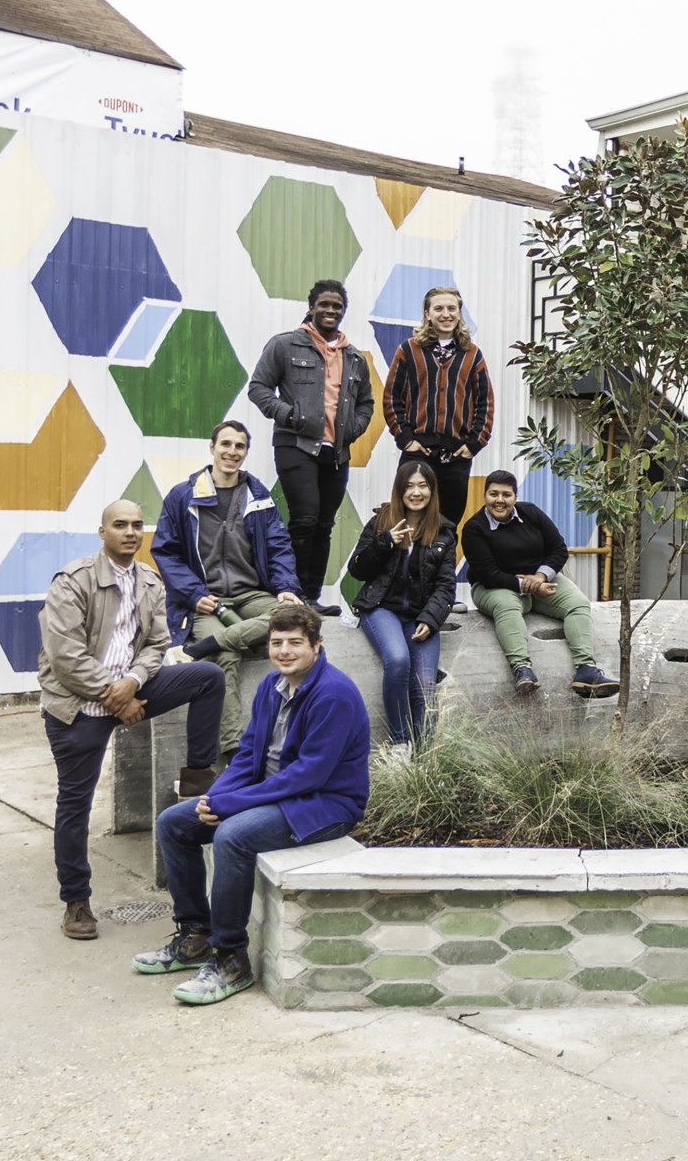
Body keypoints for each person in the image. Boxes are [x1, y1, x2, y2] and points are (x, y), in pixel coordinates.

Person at [136, 604, 371, 1004]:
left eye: (295, 643)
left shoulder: (334, 694)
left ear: (317, 646)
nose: (284, 651)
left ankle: (230, 958)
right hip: (275, 794)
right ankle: (194, 936)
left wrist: (233, 806)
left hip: (325, 806)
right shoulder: (270, 686)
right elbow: (248, 754)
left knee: (233, 836)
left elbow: (306, 777)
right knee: (173, 823)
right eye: (277, 643)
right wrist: (217, 796)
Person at [36, 498, 225, 941]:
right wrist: (116, 699)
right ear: (102, 532)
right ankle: (76, 900)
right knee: (74, 805)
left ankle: (198, 776)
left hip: (131, 689)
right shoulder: (74, 581)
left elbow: (158, 644)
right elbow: (65, 656)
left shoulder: (149, 581)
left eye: (137, 525)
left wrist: (135, 682)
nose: (130, 532)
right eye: (120, 524)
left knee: (207, 678)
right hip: (77, 706)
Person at [151, 419, 304, 783]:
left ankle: (206, 643)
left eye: (240, 447)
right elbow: (166, 552)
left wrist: (285, 586)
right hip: (206, 598)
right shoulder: (183, 496)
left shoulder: (257, 494)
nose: (232, 452)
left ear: (246, 453)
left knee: (296, 616)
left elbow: (279, 545)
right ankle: (236, 752)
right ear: (212, 447)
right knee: (225, 658)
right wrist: (194, 594)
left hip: (251, 593)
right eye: (226, 444)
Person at [247, 278, 373, 614]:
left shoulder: (355, 358)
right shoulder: (285, 345)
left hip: (336, 453)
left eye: (337, 306)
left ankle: (311, 598)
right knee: (304, 518)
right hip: (296, 446)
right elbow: (258, 388)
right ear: (312, 306)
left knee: (324, 524)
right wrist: (289, 416)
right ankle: (292, 593)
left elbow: (366, 404)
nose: (331, 310)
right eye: (325, 304)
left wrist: (354, 430)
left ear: (343, 311)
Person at [459, 468, 619, 697]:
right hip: (494, 586)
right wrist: (527, 585)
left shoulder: (531, 513)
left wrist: (541, 577)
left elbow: (558, 549)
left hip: (540, 579)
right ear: (485, 496)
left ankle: (586, 670)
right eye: (494, 494)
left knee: (578, 603)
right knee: (507, 606)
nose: (499, 500)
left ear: (515, 497)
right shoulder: (474, 529)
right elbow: (487, 573)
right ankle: (522, 670)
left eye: (506, 495)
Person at [346, 457, 458, 754]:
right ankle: (400, 744)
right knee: (398, 661)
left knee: (423, 684)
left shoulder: (444, 531)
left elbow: (446, 585)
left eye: (423, 486)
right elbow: (356, 570)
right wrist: (385, 543)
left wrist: (432, 618)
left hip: (420, 615)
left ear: (432, 491)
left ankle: (426, 756)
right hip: (381, 609)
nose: (416, 493)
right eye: (409, 486)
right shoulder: (382, 521)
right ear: (399, 490)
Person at [384, 284, 493, 525]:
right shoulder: (408, 351)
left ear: (459, 313)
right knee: (407, 523)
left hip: (456, 458)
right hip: (417, 454)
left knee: (447, 526)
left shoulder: (472, 355)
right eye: (439, 308)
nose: (446, 314)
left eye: (452, 308)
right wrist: (406, 439)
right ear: (427, 314)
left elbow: (485, 403)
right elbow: (392, 397)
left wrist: (473, 444)